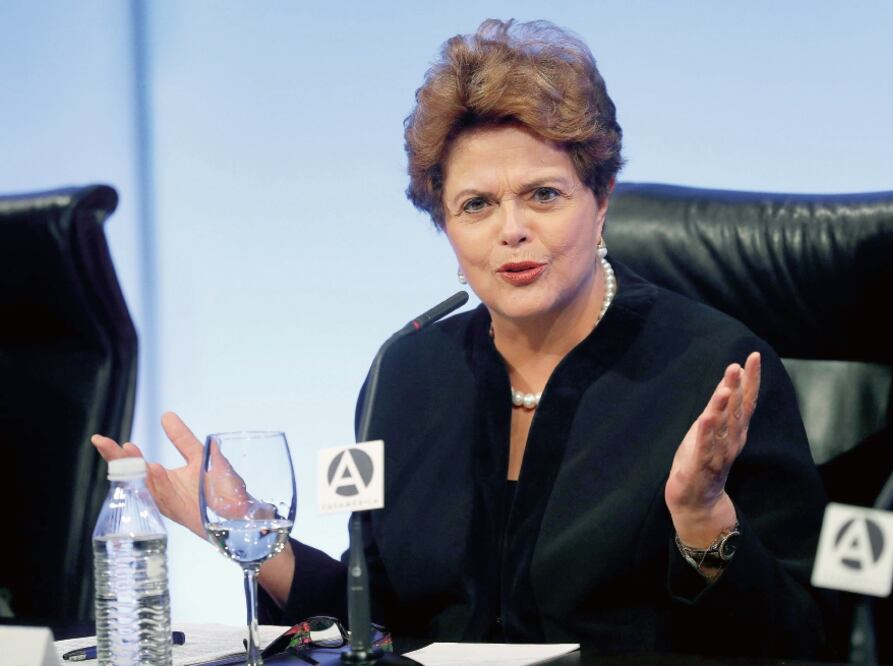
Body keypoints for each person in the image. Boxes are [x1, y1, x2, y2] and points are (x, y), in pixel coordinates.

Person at [93, 19, 832, 659]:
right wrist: (250, 533)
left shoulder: (712, 369)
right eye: (476, 204)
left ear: (600, 202)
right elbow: (375, 616)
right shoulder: (408, 373)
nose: (511, 229)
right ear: (445, 228)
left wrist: (703, 520)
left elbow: (806, 638)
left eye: (542, 194)